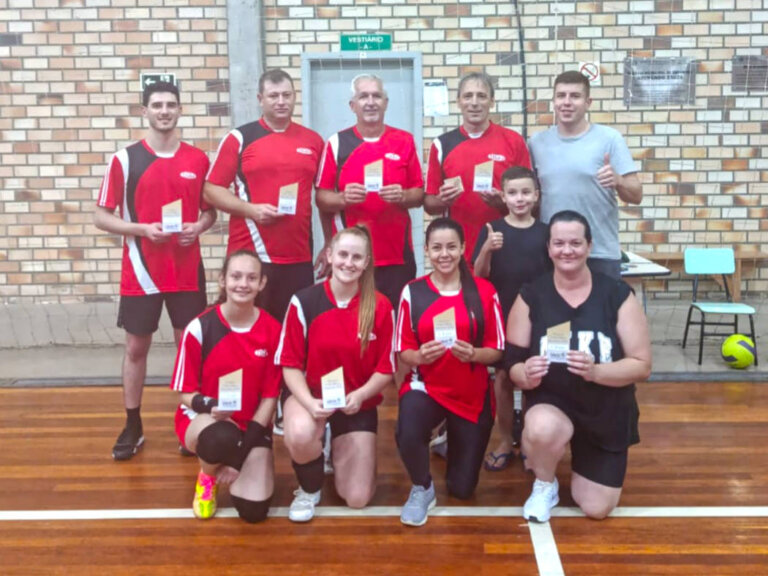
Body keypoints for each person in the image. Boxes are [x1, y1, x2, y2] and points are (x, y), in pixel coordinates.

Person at [94, 81, 215, 461]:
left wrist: (199, 226)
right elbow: (101, 216)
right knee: (136, 348)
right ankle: (133, 424)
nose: (165, 111)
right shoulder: (124, 160)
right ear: (144, 111)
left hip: (187, 272)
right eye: (157, 105)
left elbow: (210, 211)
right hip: (141, 272)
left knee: (189, 348)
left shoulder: (198, 159)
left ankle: (189, 421)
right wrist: (142, 229)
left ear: (180, 110)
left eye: (171, 105)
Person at [506, 210, 651, 522]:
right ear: (549, 248)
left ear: (589, 246)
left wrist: (596, 371)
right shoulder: (531, 295)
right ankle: (545, 483)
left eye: (575, 243)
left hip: (606, 409)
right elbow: (512, 363)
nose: (567, 250)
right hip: (553, 402)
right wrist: (525, 375)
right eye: (559, 243)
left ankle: (582, 456)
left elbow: (641, 366)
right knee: (542, 428)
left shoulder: (617, 294)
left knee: (596, 508)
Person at [276, 225, 395, 523]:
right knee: (301, 433)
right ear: (329, 255)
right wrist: (310, 402)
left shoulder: (381, 306)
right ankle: (309, 488)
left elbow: (385, 369)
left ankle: (335, 445)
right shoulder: (304, 301)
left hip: (356, 402)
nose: (348, 263)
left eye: (357, 257)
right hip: (311, 396)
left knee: (357, 498)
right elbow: (290, 365)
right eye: (342, 254)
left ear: (366, 262)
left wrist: (361, 395)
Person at [395, 217, 504, 527]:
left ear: (463, 249)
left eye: (451, 247)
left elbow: (497, 350)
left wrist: (475, 354)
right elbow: (404, 350)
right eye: (437, 248)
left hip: (471, 393)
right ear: (427, 250)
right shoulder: (412, 291)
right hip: (427, 387)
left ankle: (450, 440)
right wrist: (419, 356)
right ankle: (422, 487)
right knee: (408, 429)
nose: (444, 254)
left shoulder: (484, 291)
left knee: (462, 489)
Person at [204, 68, 325, 321]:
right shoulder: (239, 138)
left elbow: (323, 197)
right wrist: (252, 210)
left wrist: (329, 242)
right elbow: (211, 190)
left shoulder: (313, 141)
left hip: (298, 256)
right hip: (250, 257)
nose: (281, 102)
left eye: (286, 95)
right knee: (247, 328)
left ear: (294, 97)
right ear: (260, 99)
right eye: (273, 96)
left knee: (293, 330)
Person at [171, 250, 281, 522]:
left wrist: (238, 459)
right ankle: (207, 476)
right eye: (236, 276)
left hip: (252, 424)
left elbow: (269, 399)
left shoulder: (273, 330)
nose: (243, 284)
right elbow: (185, 393)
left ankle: (231, 458)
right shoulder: (199, 328)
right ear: (223, 280)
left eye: (251, 278)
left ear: (262, 283)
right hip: (206, 420)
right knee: (221, 438)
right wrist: (209, 405)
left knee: (254, 511)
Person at [316, 73, 424, 309]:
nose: (371, 102)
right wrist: (343, 198)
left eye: (377, 96)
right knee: (350, 321)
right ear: (352, 105)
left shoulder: (405, 141)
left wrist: (404, 196)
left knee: (393, 319)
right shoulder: (336, 143)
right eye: (363, 96)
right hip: (350, 257)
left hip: (396, 257)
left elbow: (419, 194)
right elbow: (321, 198)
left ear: (386, 103)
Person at [472, 166, 551, 471]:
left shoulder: (545, 232)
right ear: (503, 197)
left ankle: (530, 443)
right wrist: (487, 249)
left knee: (534, 377)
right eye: (513, 193)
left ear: (536, 196)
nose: (520, 199)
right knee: (504, 378)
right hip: (502, 315)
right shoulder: (491, 230)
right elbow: (479, 275)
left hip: (537, 316)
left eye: (526, 192)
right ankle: (505, 440)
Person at [528, 70, 643, 280]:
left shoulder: (609, 139)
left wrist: (618, 180)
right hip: (554, 253)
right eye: (561, 96)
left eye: (575, 96)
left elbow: (636, 195)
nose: (567, 102)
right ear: (553, 101)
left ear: (588, 102)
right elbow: (531, 199)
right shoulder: (537, 143)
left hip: (599, 252)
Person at [424, 71, 531, 265]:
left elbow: (533, 202)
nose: (474, 103)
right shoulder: (442, 145)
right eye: (468, 96)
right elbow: (429, 204)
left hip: (506, 246)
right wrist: (442, 200)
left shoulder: (513, 141)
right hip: (458, 250)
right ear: (458, 102)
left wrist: (502, 203)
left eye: (481, 96)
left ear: (492, 102)